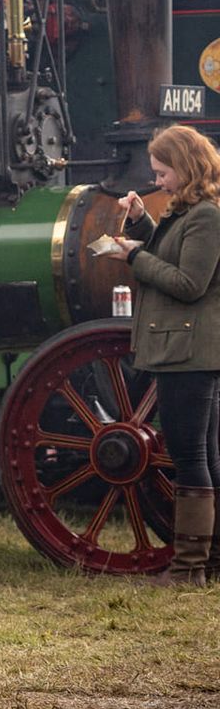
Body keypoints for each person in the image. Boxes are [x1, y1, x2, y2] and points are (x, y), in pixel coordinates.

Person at [109, 124, 220, 586]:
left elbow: (189, 283)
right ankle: (210, 560)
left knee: (189, 455)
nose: (157, 181)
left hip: (188, 352)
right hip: (187, 349)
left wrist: (134, 258)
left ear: (186, 167)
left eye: (162, 173)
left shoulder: (207, 216)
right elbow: (172, 255)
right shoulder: (191, 211)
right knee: (205, 455)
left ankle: (189, 567)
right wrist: (140, 223)